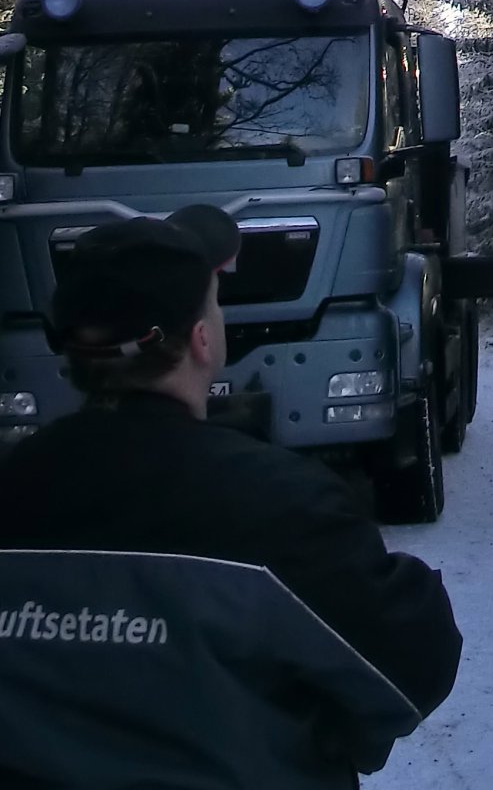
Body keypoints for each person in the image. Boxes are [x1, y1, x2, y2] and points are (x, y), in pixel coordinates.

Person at [0, 205, 461, 787]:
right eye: (215, 303)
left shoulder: (13, 490)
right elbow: (413, 663)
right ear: (201, 339)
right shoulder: (280, 508)